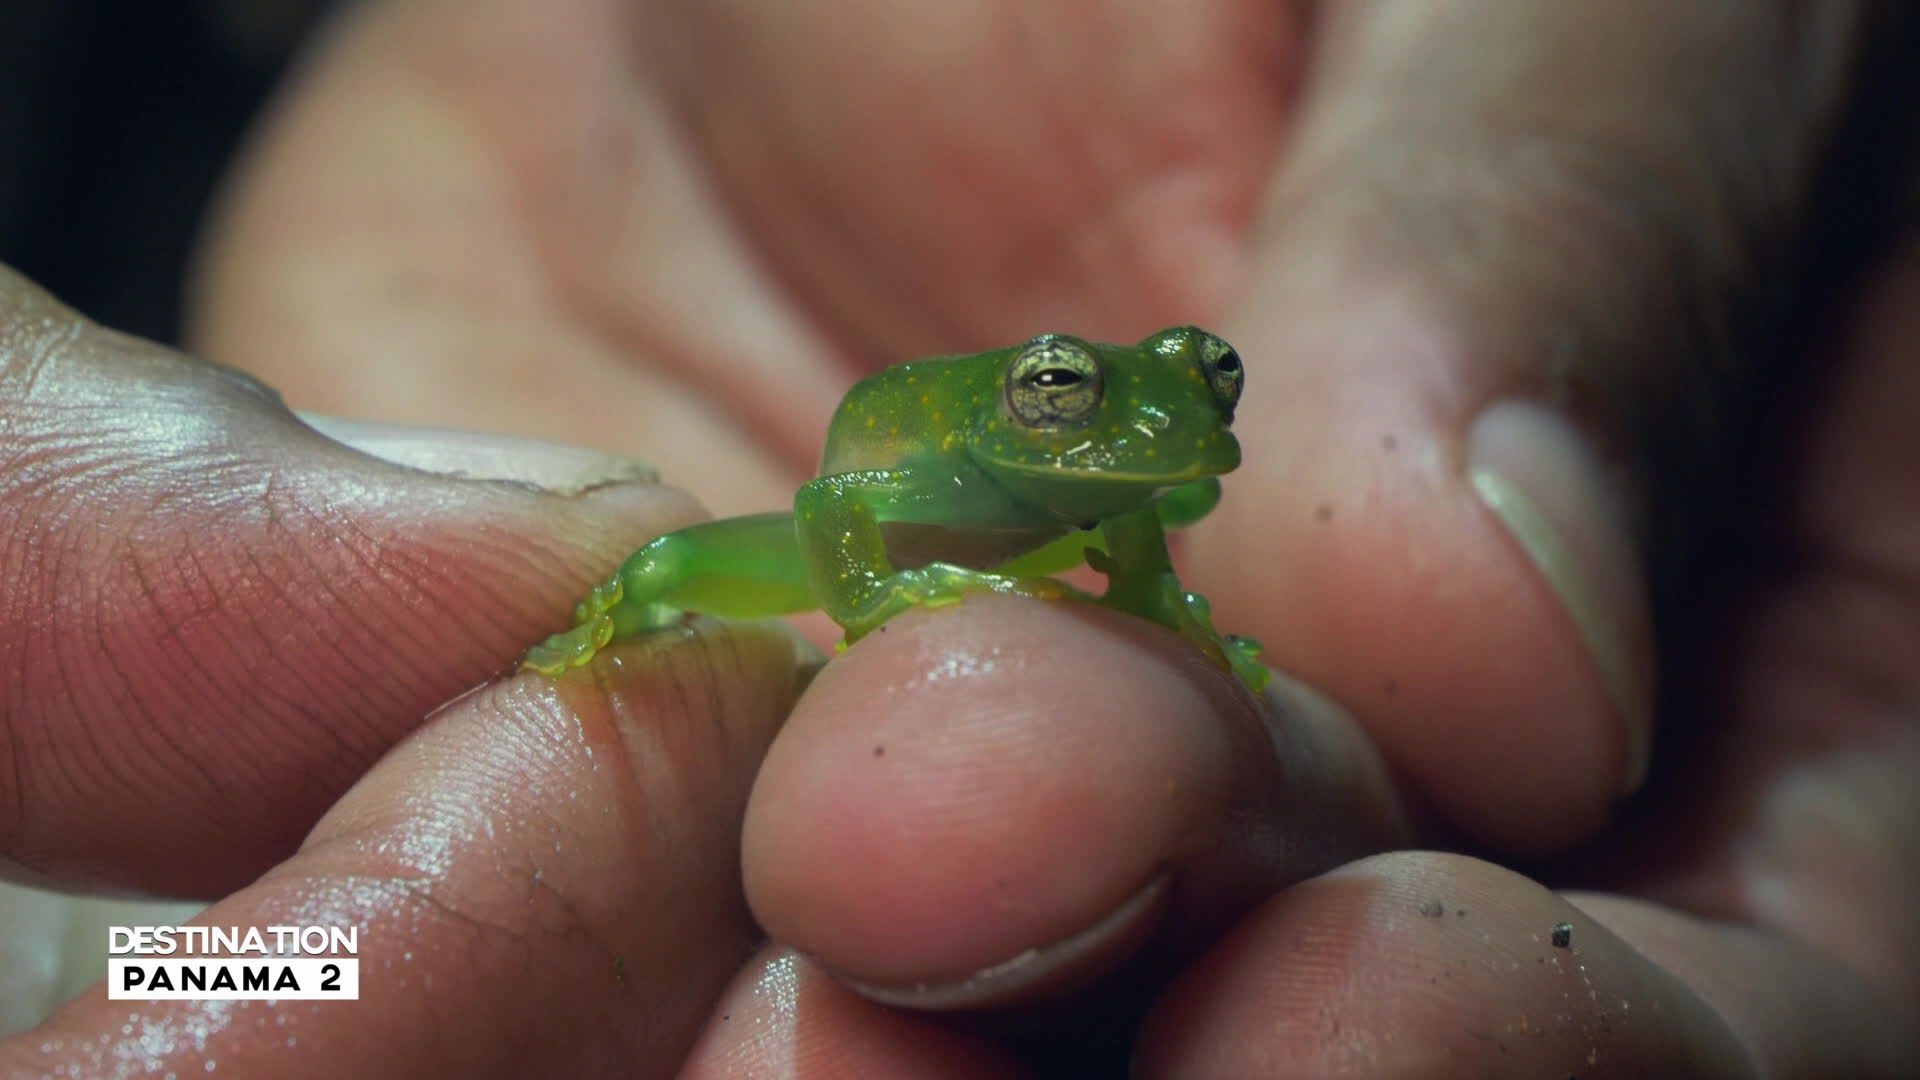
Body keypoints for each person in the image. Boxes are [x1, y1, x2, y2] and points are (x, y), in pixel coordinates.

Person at [4, 1, 1915, 1073]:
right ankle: (135, 970)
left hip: (831, 842)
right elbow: (845, 505)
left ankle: (141, 976)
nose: (1179, 427)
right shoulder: (961, 435)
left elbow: (1153, 540)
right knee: (346, 903)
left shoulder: (1146, 473)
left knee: (375, 957)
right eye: (1105, 394)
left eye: (1210, 387)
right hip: (704, 561)